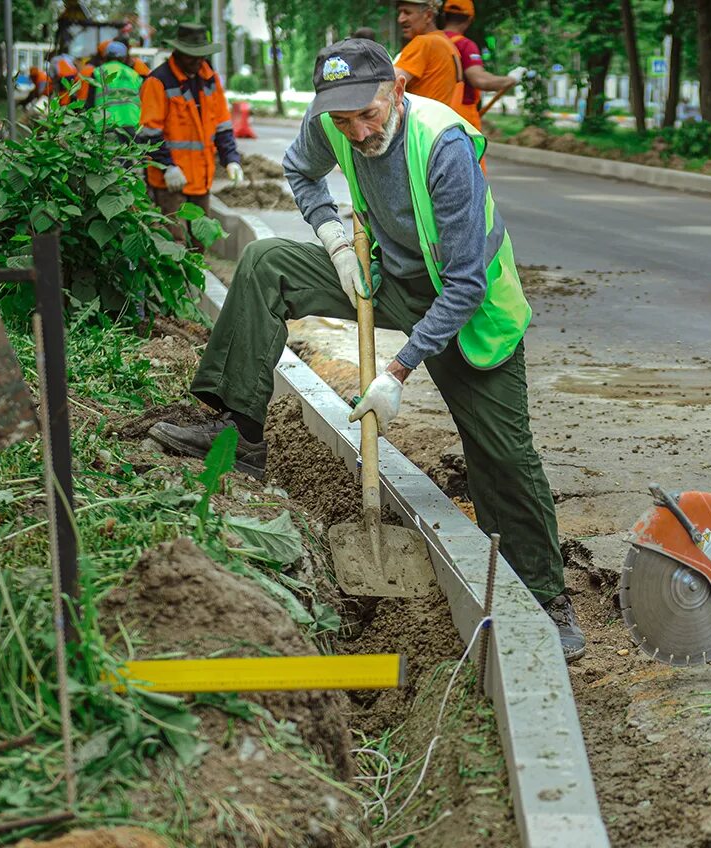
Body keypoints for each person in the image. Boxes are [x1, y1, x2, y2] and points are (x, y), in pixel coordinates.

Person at [146, 39, 586, 662]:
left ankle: (546, 597)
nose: (358, 130)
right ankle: (238, 432)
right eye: (345, 118)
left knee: (503, 456)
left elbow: (465, 282)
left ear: (397, 93)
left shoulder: (444, 146)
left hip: (469, 310)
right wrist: (333, 238)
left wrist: (400, 370)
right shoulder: (334, 120)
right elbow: (300, 170)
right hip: (387, 279)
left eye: (370, 114)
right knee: (266, 262)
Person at [137, 23, 244, 238]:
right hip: (170, 182)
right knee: (175, 240)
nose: (197, 61)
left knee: (201, 240)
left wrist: (231, 158)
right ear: (178, 52)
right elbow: (149, 132)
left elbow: (222, 126)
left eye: (201, 55)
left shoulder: (209, 79)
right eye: (191, 56)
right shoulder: (158, 81)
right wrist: (168, 166)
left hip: (200, 180)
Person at [440, 0, 522, 129]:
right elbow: (480, 80)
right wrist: (512, 79)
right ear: (470, 19)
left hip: (432, 116)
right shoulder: (465, 45)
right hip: (459, 120)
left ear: (444, 16)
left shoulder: (428, 41)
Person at [393, 0, 463, 108]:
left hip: (419, 121)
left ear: (428, 16)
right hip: (440, 120)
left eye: (407, 12)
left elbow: (387, 84)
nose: (400, 19)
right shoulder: (448, 44)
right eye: (400, 13)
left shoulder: (424, 42)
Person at [82, 41, 144, 140]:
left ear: (105, 56)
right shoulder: (134, 74)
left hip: (106, 125)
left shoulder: (98, 72)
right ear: (124, 57)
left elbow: (90, 103)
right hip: (132, 124)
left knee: (108, 155)